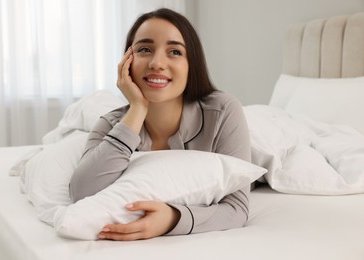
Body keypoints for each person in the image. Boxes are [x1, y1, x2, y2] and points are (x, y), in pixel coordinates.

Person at [69, 8, 251, 241]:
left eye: (174, 51)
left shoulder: (224, 111)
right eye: (145, 49)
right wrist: (137, 108)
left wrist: (172, 219)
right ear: (127, 61)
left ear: (191, 65)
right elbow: (82, 194)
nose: (157, 63)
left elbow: (237, 209)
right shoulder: (111, 124)